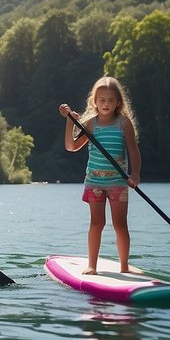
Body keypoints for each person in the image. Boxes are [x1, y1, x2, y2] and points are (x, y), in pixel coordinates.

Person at [58, 75, 142, 274]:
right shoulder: (90, 125)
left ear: (118, 102)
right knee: (97, 223)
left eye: (111, 100)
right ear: (94, 102)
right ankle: (92, 266)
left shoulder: (123, 123)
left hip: (117, 182)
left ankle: (124, 266)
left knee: (120, 224)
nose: (106, 104)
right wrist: (71, 120)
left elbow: (133, 150)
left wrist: (135, 174)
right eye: (102, 100)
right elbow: (71, 147)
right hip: (94, 181)